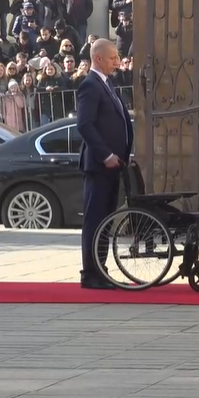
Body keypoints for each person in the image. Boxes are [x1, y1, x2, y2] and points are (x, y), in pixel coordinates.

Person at [76, 38, 134, 290]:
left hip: (113, 165)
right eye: (113, 58)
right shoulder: (90, 85)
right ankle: (90, 273)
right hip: (99, 166)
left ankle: (101, 269)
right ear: (98, 58)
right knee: (95, 220)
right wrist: (105, 155)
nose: (117, 62)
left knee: (105, 221)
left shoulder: (108, 84)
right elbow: (85, 124)